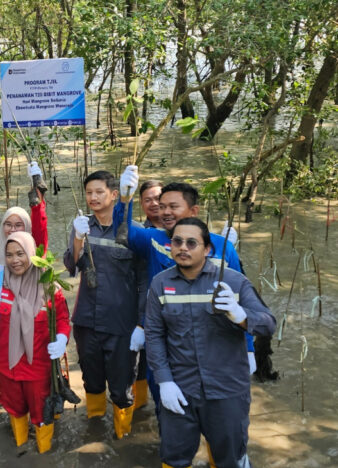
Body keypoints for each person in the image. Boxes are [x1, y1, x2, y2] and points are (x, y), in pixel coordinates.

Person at [117, 167, 254, 416]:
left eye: (174, 206)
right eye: (163, 206)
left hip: (215, 347)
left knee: (221, 420)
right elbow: (123, 231)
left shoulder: (222, 247)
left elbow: (242, 302)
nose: (165, 212)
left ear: (193, 211)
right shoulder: (154, 240)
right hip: (169, 348)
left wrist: (249, 348)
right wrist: (124, 199)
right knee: (171, 418)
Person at [145, 218, 275, 468]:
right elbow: (154, 335)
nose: (183, 247)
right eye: (177, 241)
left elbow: (269, 323)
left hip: (226, 390)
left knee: (231, 458)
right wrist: (164, 381)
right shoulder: (160, 284)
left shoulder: (233, 282)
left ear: (207, 249)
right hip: (180, 389)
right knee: (174, 457)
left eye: (192, 242)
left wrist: (241, 316)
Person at [62, 170, 140, 439]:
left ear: (114, 194)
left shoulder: (131, 230)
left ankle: (123, 437)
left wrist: (142, 323)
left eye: (99, 192)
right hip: (86, 319)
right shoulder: (81, 225)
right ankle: (94, 429)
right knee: (91, 378)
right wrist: (78, 239)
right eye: (89, 193)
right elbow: (71, 266)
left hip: (120, 322)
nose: (93, 197)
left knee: (121, 385)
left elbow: (143, 279)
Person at [0, 231, 70, 454]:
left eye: (20, 253)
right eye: (9, 255)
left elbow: (63, 319)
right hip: (6, 364)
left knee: (41, 412)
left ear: (31, 254)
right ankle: (20, 447)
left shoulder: (49, 286)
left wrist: (63, 338)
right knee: (14, 407)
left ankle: (43, 454)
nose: (14, 260)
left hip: (38, 367)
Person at [132, 179, 162, 411]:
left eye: (158, 198)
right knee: (139, 364)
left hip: (170, 311)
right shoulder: (140, 233)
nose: (154, 204)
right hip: (140, 306)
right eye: (147, 200)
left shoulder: (186, 232)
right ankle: (140, 407)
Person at [0, 161, 48, 264]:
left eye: (19, 225)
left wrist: (38, 192)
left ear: (27, 227)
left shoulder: (34, 251)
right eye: (8, 224)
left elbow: (39, 227)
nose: (13, 229)